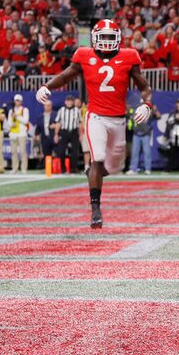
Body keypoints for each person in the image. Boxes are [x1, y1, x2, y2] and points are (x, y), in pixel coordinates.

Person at [36, 19, 153, 229]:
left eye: (111, 37)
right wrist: (47, 86)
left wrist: (147, 104)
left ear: (118, 38)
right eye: (104, 37)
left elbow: (143, 85)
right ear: (94, 37)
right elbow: (66, 77)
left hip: (118, 119)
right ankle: (95, 209)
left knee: (114, 167)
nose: (107, 42)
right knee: (97, 158)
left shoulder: (128, 56)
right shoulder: (83, 55)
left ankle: (94, 172)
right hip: (96, 116)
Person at [128, 102, 159, 175]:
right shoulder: (136, 109)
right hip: (136, 133)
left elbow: (158, 116)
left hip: (146, 134)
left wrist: (154, 110)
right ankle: (133, 168)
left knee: (147, 152)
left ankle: (148, 169)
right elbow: (131, 117)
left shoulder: (149, 111)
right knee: (134, 152)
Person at [54, 96, 81, 175]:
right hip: (64, 132)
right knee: (61, 151)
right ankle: (63, 169)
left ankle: (73, 169)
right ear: (65, 102)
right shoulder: (61, 110)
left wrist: (80, 134)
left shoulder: (77, 110)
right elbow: (58, 123)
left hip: (74, 132)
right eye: (68, 101)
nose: (69, 102)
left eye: (70, 101)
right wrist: (56, 134)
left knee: (75, 151)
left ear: (73, 102)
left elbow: (80, 123)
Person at [7, 94, 29, 174]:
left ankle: (24, 168)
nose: (17, 102)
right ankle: (14, 168)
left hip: (21, 133)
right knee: (13, 152)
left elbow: (26, 121)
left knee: (23, 151)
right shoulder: (11, 111)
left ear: (21, 101)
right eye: (16, 100)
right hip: (13, 133)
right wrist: (11, 124)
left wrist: (16, 117)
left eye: (18, 100)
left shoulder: (25, 110)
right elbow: (9, 122)